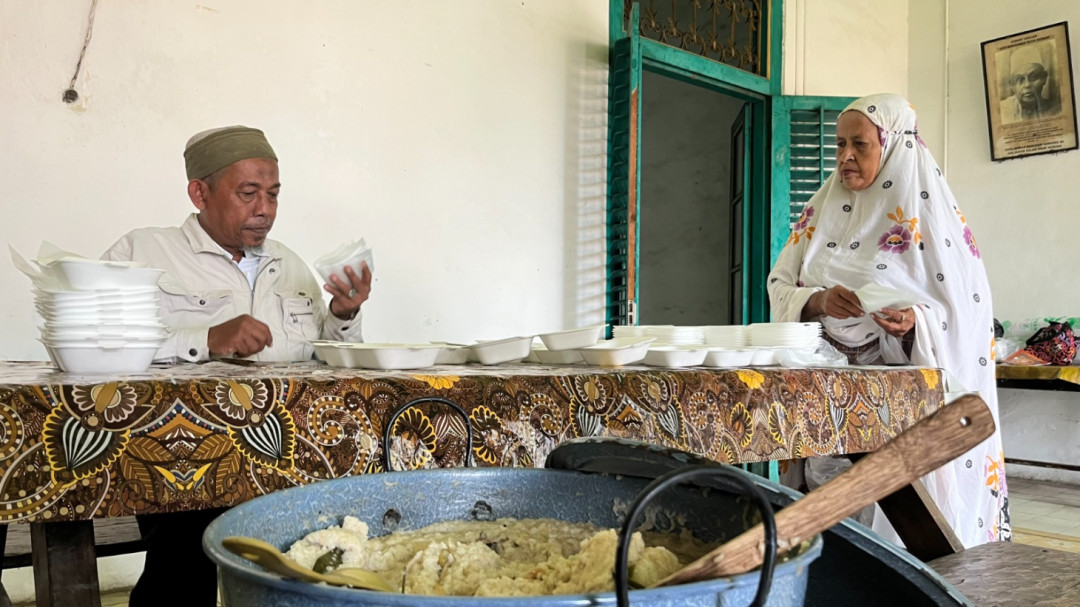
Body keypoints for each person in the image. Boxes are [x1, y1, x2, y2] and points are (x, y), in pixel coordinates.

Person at [103, 125, 373, 606]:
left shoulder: (288, 265)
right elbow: (100, 348)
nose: (264, 210)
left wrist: (343, 315)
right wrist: (204, 339)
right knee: (185, 564)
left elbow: (324, 356)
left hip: (285, 461)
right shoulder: (142, 253)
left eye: (272, 195)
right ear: (199, 192)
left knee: (323, 547)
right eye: (248, 193)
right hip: (180, 464)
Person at [768, 94, 1010, 548]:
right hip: (824, 399)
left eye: (859, 145)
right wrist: (817, 301)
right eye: (838, 144)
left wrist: (913, 325)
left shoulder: (931, 222)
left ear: (893, 144)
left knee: (888, 520)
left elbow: (963, 311)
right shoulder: (822, 211)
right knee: (827, 518)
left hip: (895, 407)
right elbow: (780, 283)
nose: (844, 157)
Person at [1000, 44, 1061, 124]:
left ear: (1044, 78)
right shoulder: (1003, 112)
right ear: (1012, 85)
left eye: (1034, 77)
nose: (1027, 85)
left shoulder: (1056, 109)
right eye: (1020, 80)